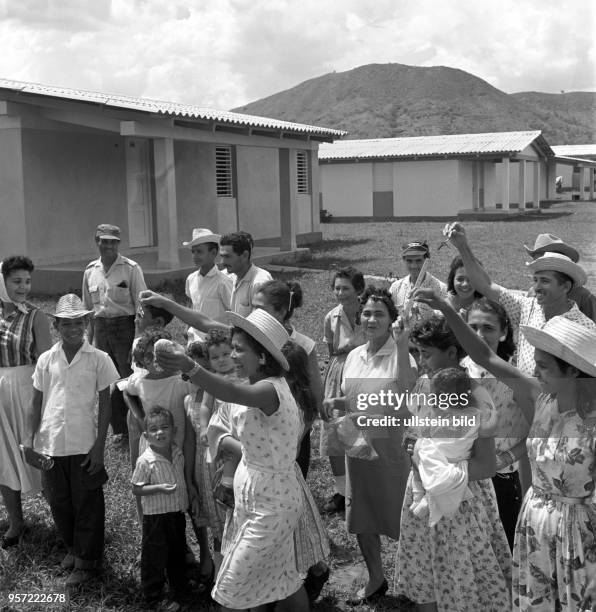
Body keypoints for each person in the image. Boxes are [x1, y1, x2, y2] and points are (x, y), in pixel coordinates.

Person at [414, 289, 596, 612]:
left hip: (577, 535)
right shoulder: (539, 395)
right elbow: (484, 356)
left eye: (544, 366)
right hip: (535, 525)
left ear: (573, 371)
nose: (534, 371)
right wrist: (446, 307)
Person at [155, 308, 309, 611]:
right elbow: (223, 422)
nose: (233, 355)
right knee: (285, 583)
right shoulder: (255, 385)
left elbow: (228, 391)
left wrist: (190, 366)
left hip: (271, 508)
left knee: (229, 593)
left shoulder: (268, 389)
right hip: (258, 501)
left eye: (239, 349)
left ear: (263, 357)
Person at [393, 310, 512, 611]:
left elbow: (485, 466)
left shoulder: (475, 394)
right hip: (423, 494)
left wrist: (439, 474)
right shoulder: (423, 385)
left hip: (460, 503)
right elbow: (412, 430)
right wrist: (416, 453)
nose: (421, 361)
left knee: (462, 581)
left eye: (427, 354)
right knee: (427, 577)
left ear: (451, 352)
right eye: (417, 353)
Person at [325, 287, 417, 604]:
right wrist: (336, 401)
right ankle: (377, 578)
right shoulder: (353, 356)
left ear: (392, 319)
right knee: (362, 517)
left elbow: (407, 392)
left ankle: (417, 581)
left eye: (379, 313)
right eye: (367, 313)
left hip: (392, 454)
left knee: (404, 520)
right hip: (358, 452)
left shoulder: (401, 355)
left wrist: (403, 345)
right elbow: (355, 399)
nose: (372, 318)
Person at [25, 294, 119, 585]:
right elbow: (36, 401)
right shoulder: (46, 359)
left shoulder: (99, 359)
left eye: (78, 323)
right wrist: (30, 440)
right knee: (59, 501)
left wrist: (99, 447)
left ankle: (87, 562)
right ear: (56, 326)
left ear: (87, 323)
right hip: (51, 444)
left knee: (87, 503)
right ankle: (72, 548)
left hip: (83, 443)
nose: (73, 329)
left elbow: (106, 404)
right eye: (66, 324)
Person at [443, 222, 596, 376]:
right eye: (535, 280)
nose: (536, 287)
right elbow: (486, 285)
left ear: (565, 286)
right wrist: (462, 246)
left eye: (545, 281)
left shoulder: (584, 326)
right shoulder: (527, 307)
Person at [461, 297, 530, 549]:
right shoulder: (456, 371)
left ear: (503, 333)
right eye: (473, 327)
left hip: (499, 481)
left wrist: (508, 458)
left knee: (503, 555)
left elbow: (537, 431)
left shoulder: (517, 379)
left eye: (488, 328)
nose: (479, 334)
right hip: (460, 477)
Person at [0, 256, 52, 548]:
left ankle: (64, 524)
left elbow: (47, 364)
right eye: (16, 281)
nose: (24, 287)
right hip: (0, 394)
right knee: (3, 457)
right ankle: (16, 522)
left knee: (39, 453)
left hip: (27, 389)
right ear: (3, 283)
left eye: (27, 281)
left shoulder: (36, 316)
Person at [82, 223, 147, 444]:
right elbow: (88, 310)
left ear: (119, 243)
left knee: (129, 378)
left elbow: (141, 306)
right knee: (106, 381)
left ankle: (139, 425)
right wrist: (87, 343)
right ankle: (119, 430)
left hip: (125, 328)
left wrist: (137, 341)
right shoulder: (90, 271)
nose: (108, 245)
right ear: (97, 241)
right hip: (101, 328)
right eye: (104, 241)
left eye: (113, 241)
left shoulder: (130, 268)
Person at [251, 280, 323, 478]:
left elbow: (315, 396)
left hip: (293, 427)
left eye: (260, 308)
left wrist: (300, 436)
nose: (253, 313)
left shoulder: (303, 345)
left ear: (281, 311)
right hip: (258, 427)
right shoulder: (250, 340)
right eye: (252, 307)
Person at [184, 332, 235, 592]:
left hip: (237, 454)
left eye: (226, 354)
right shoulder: (212, 385)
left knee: (235, 516)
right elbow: (204, 409)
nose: (222, 360)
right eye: (216, 357)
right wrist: (204, 428)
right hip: (212, 460)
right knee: (218, 519)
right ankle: (219, 576)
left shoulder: (243, 379)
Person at [132, 406, 189, 612]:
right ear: (146, 435)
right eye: (154, 429)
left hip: (176, 513)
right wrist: (158, 488)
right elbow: (136, 488)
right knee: (154, 556)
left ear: (173, 430)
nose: (160, 432)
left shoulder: (177, 452)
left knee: (176, 552)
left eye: (164, 427)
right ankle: (153, 596)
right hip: (156, 517)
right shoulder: (145, 460)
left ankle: (180, 588)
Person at [408, 367, 480, 527]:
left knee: (420, 451)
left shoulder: (438, 413)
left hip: (442, 458)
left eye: (435, 396)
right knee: (422, 454)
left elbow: (424, 434)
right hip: (459, 459)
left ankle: (420, 496)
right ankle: (426, 497)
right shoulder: (473, 413)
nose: (432, 401)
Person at [320, 267, 365, 514]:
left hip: (364, 371)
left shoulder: (369, 313)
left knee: (366, 428)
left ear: (358, 290)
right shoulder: (331, 317)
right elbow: (331, 350)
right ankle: (341, 490)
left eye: (345, 288)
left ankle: (365, 486)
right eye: (336, 288)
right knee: (334, 432)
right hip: (339, 370)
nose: (340, 293)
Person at [524, 233, 596, 323]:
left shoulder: (583, 296)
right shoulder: (533, 293)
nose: (539, 264)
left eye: (545, 259)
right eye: (536, 260)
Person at [183, 228, 233, 343]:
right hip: (194, 338)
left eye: (199, 251)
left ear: (214, 253)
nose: (195, 256)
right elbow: (193, 305)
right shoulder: (191, 279)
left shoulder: (223, 282)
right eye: (193, 252)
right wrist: (187, 327)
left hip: (217, 341)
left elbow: (233, 313)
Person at [389, 241, 447, 319]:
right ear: (403, 260)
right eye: (409, 261)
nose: (414, 266)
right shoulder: (395, 287)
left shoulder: (441, 288)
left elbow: (446, 320)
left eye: (418, 260)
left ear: (427, 260)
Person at [219, 231, 272, 316]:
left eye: (227, 256)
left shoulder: (259, 283)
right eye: (221, 256)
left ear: (245, 255)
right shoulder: (226, 277)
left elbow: (262, 323)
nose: (222, 262)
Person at [445, 255, 483, 319]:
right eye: (460, 279)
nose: (465, 284)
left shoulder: (484, 309)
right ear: (452, 280)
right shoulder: (444, 305)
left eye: (471, 279)